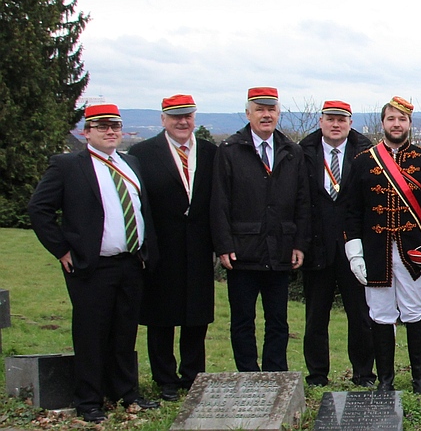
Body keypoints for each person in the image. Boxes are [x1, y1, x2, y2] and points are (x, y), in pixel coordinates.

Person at [28, 104, 160, 423]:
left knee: (125, 331)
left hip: (131, 263)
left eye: (114, 126)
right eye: (101, 127)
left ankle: (126, 392)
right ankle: (89, 399)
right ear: (86, 132)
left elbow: (140, 210)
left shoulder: (131, 163)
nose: (110, 131)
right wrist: (62, 249)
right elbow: (39, 210)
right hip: (91, 265)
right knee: (91, 332)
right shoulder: (68, 165)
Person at [344, 96, 421, 394]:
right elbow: (352, 212)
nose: (397, 124)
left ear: (409, 124)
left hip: (414, 251)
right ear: (383, 123)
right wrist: (355, 253)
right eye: (391, 119)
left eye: (402, 119)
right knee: (380, 315)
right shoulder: (363, 161)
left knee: (416, 312)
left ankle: (420, 382)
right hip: (376, 251)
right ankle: (386, 382)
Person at [210, 87, 310, 372]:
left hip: (280, 250)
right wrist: (223, 245)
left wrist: (299, 243)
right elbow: (219, 202)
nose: (266, 115)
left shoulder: (292, 152)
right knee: (242, 319)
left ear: (278, 114)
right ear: (248, 113)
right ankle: (247, 373)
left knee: (278, 319)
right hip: (243, 251)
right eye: (259, 109)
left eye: (271, 110)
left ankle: (275, 373)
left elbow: (302, 202)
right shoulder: (230, 150)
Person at [129, 94, 216, 401]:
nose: (182, 122)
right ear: (163, 119)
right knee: (160, 317)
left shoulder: (209, 152)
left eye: (187, 116)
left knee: (196, 316)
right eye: (176, 117)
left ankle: (193, 376)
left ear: (194, 118)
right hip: (160, 246)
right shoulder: (141, 153)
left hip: (199, 247)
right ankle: (165, 378)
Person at [299, 100, 376, 388]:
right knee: (315, 317)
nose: (335, 124)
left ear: (350, 123)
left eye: (341, 120)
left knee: (360, 315)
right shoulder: (304, 152)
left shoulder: (365, 153)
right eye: (330, 119)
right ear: (321, 121)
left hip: (354, 247)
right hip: (317, 246)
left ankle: (363, 373)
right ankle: (317, 375)